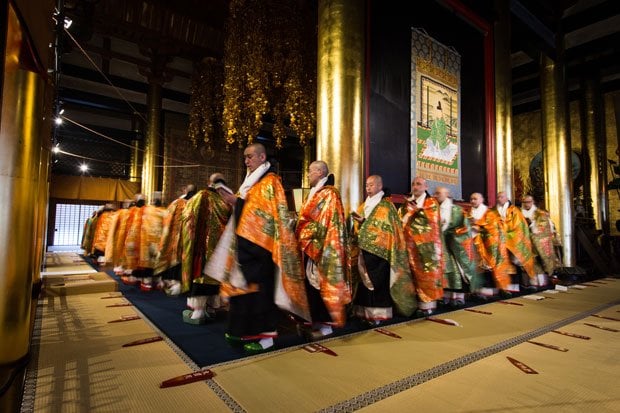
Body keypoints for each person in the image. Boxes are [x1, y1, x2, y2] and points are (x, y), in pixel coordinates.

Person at [205, 143, 309, 353]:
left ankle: (265, 339)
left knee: (260, 295)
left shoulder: (270, 182)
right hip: (244, 246)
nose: (246, 161)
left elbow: (268, 215)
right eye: (245, 158)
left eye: (250, 156)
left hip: (262, 248)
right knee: (243, 293)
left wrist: (238, 203)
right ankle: (244, 332)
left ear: (262, 157)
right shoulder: (250, 183)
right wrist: (233, 201)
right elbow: (245, 209)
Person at [350, 175, 416, 325]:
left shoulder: (386, 206)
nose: (368, 188)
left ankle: (377, 315)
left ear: (380, 186)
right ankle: (363, 311)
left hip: (380, 251)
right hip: (364, 247)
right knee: (363, 280)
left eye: (371, 185)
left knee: (376, 280)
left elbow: (386, 228)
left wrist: (364, 222)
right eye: (367, 185)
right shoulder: (364, 204)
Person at [295, 161, 351, 339]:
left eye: (310, 171)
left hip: (325, 247)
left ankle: (326, 327)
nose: (308, 174)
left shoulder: (329, 195)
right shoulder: (316, 192)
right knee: (311, 287)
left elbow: (327, 223)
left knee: (323, 285)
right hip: (310, 245)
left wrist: (304, 229)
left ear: (320, 172)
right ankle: (314, 322)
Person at [181, 175, 232, 324]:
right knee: (216, 279)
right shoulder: (228, 199)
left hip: (203, 247)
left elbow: (188, 216)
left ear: (209, 182)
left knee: (201, 278)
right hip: (222, 248)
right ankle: (211, 308)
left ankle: (198, 312)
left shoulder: (202, 195)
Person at [399, 177, 443, 316]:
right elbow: (400, 220)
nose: (415, 186)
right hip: (408, 245)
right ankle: (411, 305)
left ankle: (428, 305)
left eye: (418, 184)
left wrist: (416, 211)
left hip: (427, 246)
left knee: (426, 274)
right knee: (410, 275)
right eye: (413, 184)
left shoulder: (431, 203)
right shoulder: (406, 204)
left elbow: (432, 221)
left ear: (426, 187)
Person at [434, 187, 481, 307]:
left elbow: (464, 229)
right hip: (439, 246)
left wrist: (451, 233)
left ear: (447, 194)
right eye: (435, 193)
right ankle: (444, 296)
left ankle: (458, 297)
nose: (436, 195)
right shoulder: (432, 209)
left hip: (454, 245)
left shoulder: (456, 210)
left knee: (456, 270)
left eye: (439, 193)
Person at [468, 192, 513, 297]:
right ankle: (478, 291)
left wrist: (478, 226)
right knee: (476, 267)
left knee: (496, 265)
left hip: (490, 244)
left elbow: (494, 229)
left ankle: (502, 288)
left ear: (481, 200)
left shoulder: (489, 213)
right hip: (474, 243)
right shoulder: (468, 212)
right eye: (471, 199)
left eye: (475, 199)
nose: (472, 201)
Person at [495, 191, 538, 291]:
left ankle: (524, 284)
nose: (499, 199)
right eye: (498, 197)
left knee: (519, 262)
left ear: (506, 198)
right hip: (499, 240)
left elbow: (518, 226)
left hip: (513, 239)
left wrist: (503, 229)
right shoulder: (495, 210)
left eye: (502, 197)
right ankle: (505, 287)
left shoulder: (514, 211)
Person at [158, 184, 197, 295]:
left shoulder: (176, 203)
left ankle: (176, 284)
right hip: (194, 239)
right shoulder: (199, 202)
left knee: (177, 261)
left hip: (177, 239)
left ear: (185, 190)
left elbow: (167, 220)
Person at [521, 195, 561, 281]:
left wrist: (532, 225)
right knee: (532, 261)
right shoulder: (519, 213)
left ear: (532, 202)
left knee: (544, 258)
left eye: (529, 202)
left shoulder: (539, 213)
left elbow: (544, 226)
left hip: (538, 240)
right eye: (525, 202)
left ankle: (550, 275)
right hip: (526, 242)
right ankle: (537, 280)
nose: (527, 204)